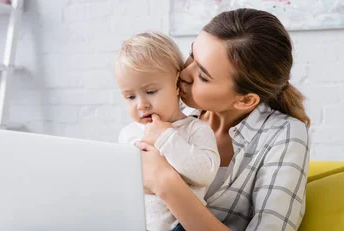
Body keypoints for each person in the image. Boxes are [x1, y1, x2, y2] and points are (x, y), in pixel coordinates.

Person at [133, 8, 311, 231]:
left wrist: (166, 184)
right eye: (192, 55)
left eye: (203, 76)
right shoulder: (170, 112)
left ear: (245, 100)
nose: (185, 73)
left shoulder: (283, 135)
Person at [114, 31, 221, 231]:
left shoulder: (195, 129)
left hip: (181, 226)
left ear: (176, 85)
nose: (141, 105)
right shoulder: (128, 134)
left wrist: (165, 137)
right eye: (130, 97)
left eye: (151, 92)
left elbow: (204, 174)